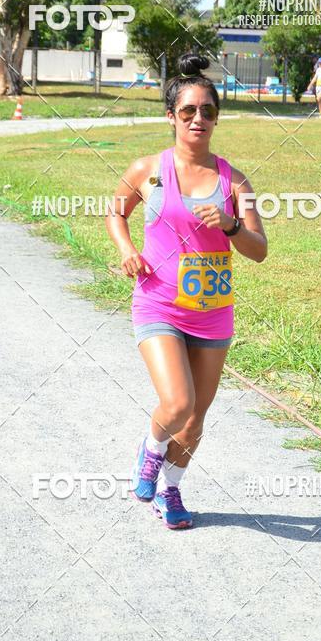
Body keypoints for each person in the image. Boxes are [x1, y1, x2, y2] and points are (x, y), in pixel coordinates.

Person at [106, 53, 267, 530]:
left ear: (217, 117)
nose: (199, 119)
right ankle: (151, 452)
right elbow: (116, 212)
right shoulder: (147, 169)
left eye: (208, 111)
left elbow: (259, 250)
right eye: (188, 111)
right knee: (177, 404)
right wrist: (126, 250)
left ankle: (171, 490)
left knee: (195, 418)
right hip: (158, 302)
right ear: (171, 116)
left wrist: (233, 225)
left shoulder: (235, 181)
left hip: (212, 311)